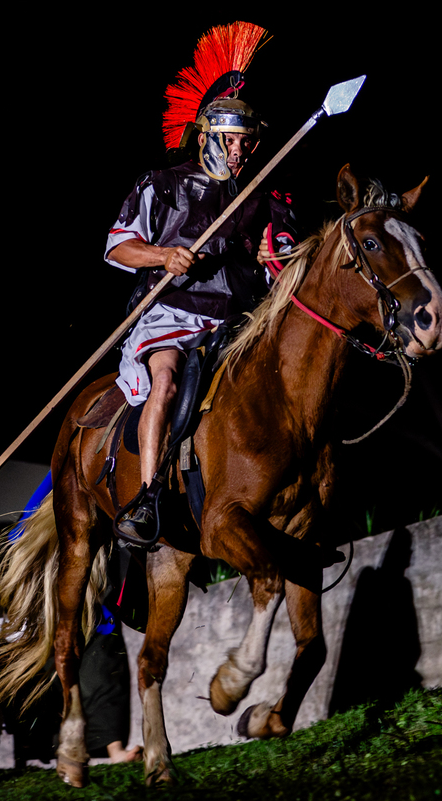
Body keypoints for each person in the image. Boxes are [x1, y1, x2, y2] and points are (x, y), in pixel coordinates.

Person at [105, 28, 298, 543]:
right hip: (172, 311)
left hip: (239, 320)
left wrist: (274, 260)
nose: (239, 151)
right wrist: (163, 255)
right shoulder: (162, 184)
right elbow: (118, 247)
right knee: (165, 382)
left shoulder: (267, 197)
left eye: (246, 142)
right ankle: (147, 497)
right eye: (230, 140)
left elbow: (283, 263)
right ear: (207, 136)